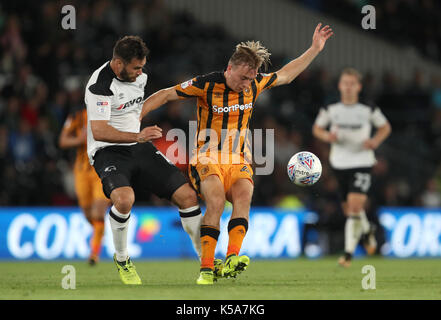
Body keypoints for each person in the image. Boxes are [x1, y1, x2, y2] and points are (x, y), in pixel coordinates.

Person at [140, 23, 333, 284]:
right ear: (229, 69)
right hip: (206, 158)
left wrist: (314, 49)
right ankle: (206, 269)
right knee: (217, 202)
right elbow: (164, 95)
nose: (246, 84)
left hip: (238, 159)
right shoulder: (205, 84)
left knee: (243, 198)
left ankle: (232, 257)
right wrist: (135, 117)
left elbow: (286, 75)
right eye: (242, 77)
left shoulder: (255, 84)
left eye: (250, 79)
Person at [85, 35, 203, 285]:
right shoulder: (99, 86)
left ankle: (207, 261)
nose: (141, 73)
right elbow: (100, 131)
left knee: (188, 197)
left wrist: (151, 109)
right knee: (125, 199)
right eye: (136, 67)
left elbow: (141, 105)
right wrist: (137, 135)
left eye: (143, 66)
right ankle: (122, 258)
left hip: (138, 146)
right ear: (118, 64)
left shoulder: (139, 76)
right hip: (108, 150)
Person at [312, 68, 392, 267]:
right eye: (345, 83)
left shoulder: (367, 108)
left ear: (358, 86)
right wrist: (327, 137)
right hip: (339, 163)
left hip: (362, 162)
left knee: (355, 207)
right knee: (350, 211)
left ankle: (348, 254)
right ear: (340, 86)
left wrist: (375, 141)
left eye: (352, 83)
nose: (348, 87)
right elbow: (317, 128)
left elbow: (385, 127)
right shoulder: (331, 107)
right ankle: (367, 231)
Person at [59, 105, 111, 266]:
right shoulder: (77, 115)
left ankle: (94, 254)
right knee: (88, 214)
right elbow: (62, 141)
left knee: (98, 212)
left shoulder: (112, 114)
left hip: (102, 170)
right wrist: (79, 140)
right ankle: (99, 233)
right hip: (81, 171)